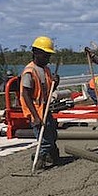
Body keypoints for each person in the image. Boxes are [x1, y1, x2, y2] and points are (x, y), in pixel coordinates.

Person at [20, 36, 60, 169]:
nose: (48, 58)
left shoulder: (46, 69)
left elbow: (47, 90)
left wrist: (56, 82)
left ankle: (52, 156)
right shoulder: (29, 71)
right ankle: (39, 159)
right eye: (45, 55)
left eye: (49, 55)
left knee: (52, 134)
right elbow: (25, 94)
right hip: (36, 111)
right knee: (44, 140)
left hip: (45, 108)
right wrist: (36, 117)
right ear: (36, 53)